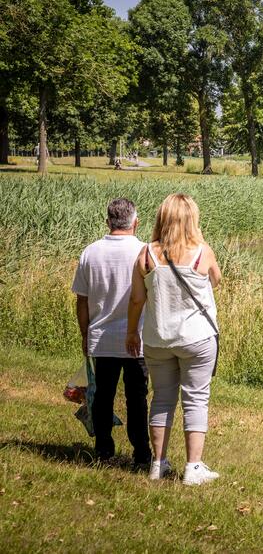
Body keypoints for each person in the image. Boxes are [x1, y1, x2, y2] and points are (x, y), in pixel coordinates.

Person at [127, 193, 222, 486]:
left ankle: (158, 463)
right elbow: (216, 280)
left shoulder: (146, 255)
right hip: (197, 338)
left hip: (158, 339)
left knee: (162, 398)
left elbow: (136, 300)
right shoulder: (201, 252)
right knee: (195, 398)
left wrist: (132, 332)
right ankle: (193, 468)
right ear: (192, 220)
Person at [72, 198, 151, 467]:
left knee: (103, 395)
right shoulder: (145, 252)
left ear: (108, 222)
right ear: (135, 222)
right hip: (137, 338)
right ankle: (142, 453)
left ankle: (104, 449)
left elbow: (81, 300)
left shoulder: (90, 253)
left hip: (102, 337)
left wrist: (85, 334)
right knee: (137, 397)